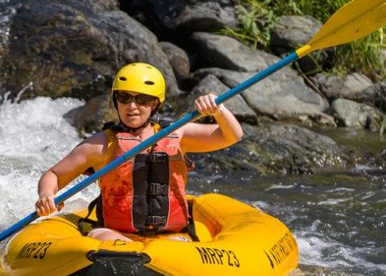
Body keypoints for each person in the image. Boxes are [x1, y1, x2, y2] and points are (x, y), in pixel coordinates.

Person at [35, 62, 243, 241]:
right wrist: (46, 195)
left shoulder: (177, 135)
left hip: (171, 236)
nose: (132, 106)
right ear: (116, 100)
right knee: (103, 238)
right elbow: (54, 175)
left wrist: (219, 110)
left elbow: (232, 136)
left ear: (155, 103)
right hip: (115, 234)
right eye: (124, 97)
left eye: (142, 99)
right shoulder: (101, 144)